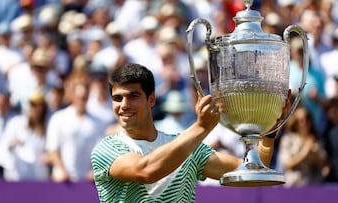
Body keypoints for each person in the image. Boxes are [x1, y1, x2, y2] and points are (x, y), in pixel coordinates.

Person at [90, 63, 281, 202]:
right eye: (117, 98)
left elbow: (255, 171)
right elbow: (146, 171)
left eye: (133, 96)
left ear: (151, 100)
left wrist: (268, 130)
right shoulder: (106, 149)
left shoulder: (189, 148)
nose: (124, 105)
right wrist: (202, 127)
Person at [46, 79, 106, 182]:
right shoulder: (58, 118)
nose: (82, 100)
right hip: (62, 181)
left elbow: (101, 152)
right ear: (72, 96)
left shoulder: (98, 123)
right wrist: (61, 170)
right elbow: (52, 149)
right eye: (79, 97)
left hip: (87, 182)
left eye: (85, 98)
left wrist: (95, 171)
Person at [0, 89, 50, 181]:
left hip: (39, 179)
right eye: (33, 104)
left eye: (39, 105)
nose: (35, 109)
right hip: (17, 178)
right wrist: (11, 145)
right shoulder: (16, 123)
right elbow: (2, 150)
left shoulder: (48, 128)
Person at [277, 106, 329, 187]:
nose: (304, 123)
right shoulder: (287, 139)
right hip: (293, 185)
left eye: (307, 118)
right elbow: (287, 164)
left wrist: (314, 153)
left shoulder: (317, 139)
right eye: (300, 120)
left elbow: (325, 165)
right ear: (295, 123)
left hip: (313, 185)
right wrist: (304, 152)